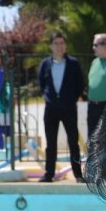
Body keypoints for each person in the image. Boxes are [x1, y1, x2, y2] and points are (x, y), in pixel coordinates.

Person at [37, 32, 85, 182]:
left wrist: (71, 98)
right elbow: (41, 84)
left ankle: (78, 175)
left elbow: (80, 84)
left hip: (69, 108)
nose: (59, 46)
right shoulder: (45, 64)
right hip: (51, 108)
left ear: (65, 45)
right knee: (50, 143)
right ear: (51, 46)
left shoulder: (73, 64)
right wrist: (49, 97)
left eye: (62, 43)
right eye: (56, 43)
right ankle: (49, 174)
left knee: (73, 142)